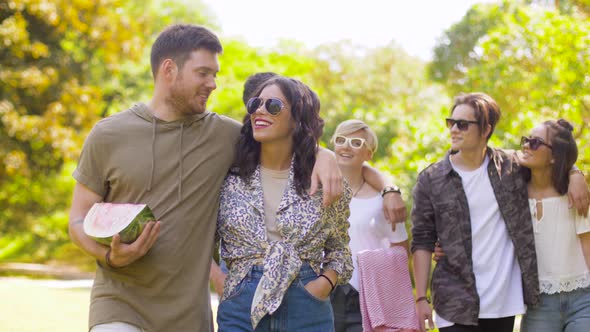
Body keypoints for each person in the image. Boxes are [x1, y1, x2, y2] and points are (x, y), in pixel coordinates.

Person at [68, 25, 345, 332]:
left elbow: (282, 137)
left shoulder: (226, 135)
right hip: (119, 305)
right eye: (203, 73)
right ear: (169, 69)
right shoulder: (107, 134)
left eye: (215, 74)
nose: (213, 84)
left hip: (189, 317)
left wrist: (324, 154)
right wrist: (110, 255)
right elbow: (78, 220)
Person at [411, 92, 590, 332]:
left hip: (502, 302)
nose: (454, 130)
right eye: (451, 123)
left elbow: (551, 157)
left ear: (486, 129)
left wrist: (574, 173)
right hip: (453, 301)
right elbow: (422, 239)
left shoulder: (510, 167)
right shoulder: (431, 179)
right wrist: (421, 297)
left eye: (462, 124)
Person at [215, 76, 353, 331]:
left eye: (273, 105)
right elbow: (199, 238)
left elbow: (340, 250)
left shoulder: (325, 179)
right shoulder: (227, 176)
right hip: (240, 304)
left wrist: (324, 284)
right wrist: (220, 280)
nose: (259, 110)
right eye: (256, 103)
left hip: (307, 303)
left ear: (297, 119)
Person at [329, 119, 410, 332]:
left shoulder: (381, 202)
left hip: (365, 299)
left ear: (368, 154)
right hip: (323, 295)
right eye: (341, 140)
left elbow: (401, 252)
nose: (346, 146)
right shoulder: (317, 190)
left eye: (356, 142)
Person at [518, 119, 590, 332]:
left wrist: (574, 173)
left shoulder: (575, 194)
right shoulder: (513, 194)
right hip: (538, 304)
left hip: (583, 299)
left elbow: (588, 246)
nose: (526, 146)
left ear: (554, 157)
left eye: (535, 142)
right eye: (526, 140)